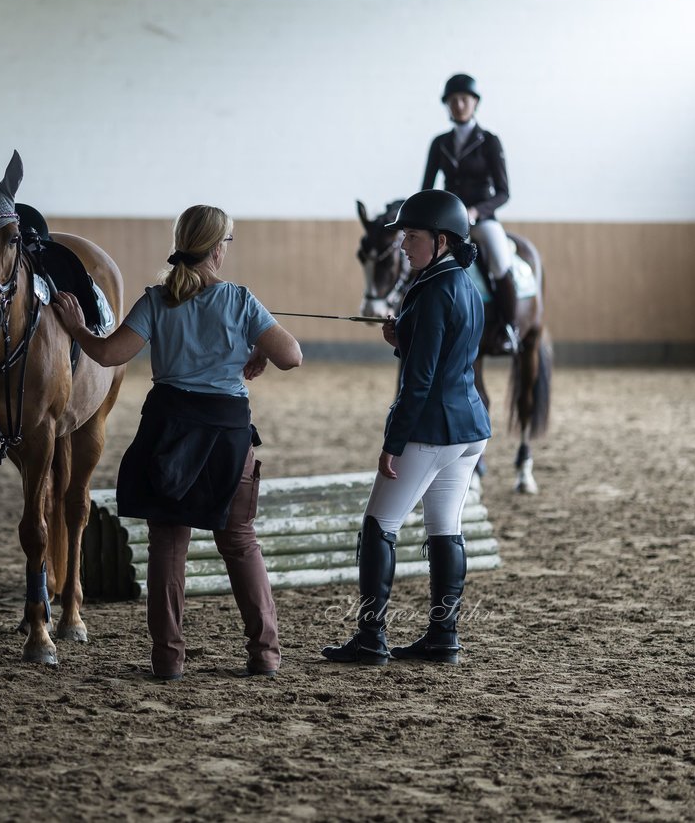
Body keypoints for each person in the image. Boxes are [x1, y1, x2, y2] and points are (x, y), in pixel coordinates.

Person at [51, 205, 302, 681]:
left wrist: (76, 327)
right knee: (240, 542)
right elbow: (292, 355)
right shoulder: (240, 300)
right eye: (227, 241)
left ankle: (168, 659)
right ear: (216, 249)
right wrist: (258, 348)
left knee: (168, 544)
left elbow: (107, 353)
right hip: (227, 435)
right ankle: (265, 654)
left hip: (168, 430)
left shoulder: (155, 301)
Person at [321, 189, 491, 667]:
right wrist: (404, 338)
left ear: (440, 240)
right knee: (444, 527)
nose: (402, 245)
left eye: (411, 236)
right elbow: (448, 355)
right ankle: (443, 637)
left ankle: (371, 638)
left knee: (378, 525)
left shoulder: (433, 291)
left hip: (431, 429)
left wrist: (392, 444)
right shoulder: (463, 283)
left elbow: (418, 382)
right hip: (470, 430)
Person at [422, 73, 518, 354]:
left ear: (474, 103)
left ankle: (509, 328)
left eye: (464, 99)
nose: (459, 105)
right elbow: (426, 188)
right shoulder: (439, 143)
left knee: (500, 260)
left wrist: (476, 210)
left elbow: (503, 192)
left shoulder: (490, 141)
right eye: (453, 101)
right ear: (447, 105)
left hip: (482, 218)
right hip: (450, 221)